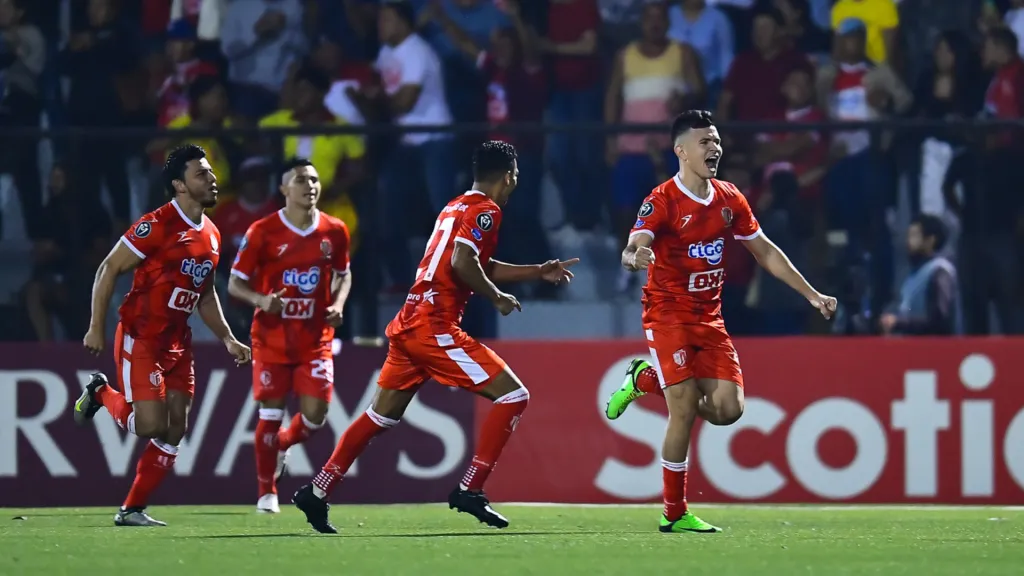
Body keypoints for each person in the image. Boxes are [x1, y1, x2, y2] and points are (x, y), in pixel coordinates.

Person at [292, 141, 579, 533]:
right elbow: (464, 264)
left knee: (379, 416)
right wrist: (496, 298)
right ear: (510, 176)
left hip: (411, 319)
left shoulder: (456, 205)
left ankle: (317, 490)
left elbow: (477, 262)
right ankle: (470, 489)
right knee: (514, 396)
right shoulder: (487, 211)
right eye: (514, 180)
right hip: (435, 324)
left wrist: (537, 271)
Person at [605, 111, 836, 533]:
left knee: (729, 410)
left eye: (716, 141)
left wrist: (812, 294)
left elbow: (765, 252)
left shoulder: (730, 199)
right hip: (668, 314)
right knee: (684, 409)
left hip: (710, 319)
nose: (714, 148)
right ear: (681, 151)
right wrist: (633, 256)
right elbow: (634, 243)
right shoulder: (662, 200)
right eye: (704, 142)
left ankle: (643, 380)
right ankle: (674, 514)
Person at [73, 144, 252, 527]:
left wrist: (227, 338)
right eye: (201, 173)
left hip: (177, 342)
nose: (212, 177)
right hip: (141, 336)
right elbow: (108, 268)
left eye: (211, 171)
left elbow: (204, 294)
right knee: (151, 424)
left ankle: (132, 510)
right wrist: (95, 325)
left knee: (176, 429)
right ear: (179, 185)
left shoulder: (214, 235)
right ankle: (101, 392)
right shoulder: (156, 225)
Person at [227, 158, 353, 513]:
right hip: (272, 338)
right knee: (271, 411)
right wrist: (261, 300)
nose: (310, 185)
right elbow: (236, 283)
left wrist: (339, 303)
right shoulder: (262, 232)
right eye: (300, 180)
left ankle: (282, 444)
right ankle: (267, 492)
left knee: (316, 417)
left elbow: (344, 273)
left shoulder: (335, 230)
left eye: (314, 179)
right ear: (284, 189)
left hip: (315, 338)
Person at [879, 214, 961, 336]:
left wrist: (899, 323)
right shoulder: (912, 276)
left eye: (914, 236)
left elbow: (939, 321)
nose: (908, 242)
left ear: (930, 240)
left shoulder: (940, 271)